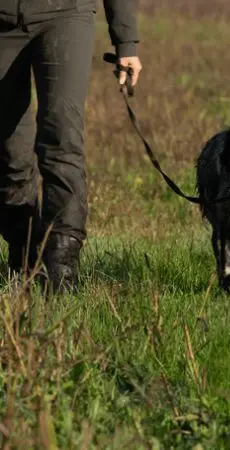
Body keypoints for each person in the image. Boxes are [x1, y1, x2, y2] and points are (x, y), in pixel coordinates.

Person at [0, 0, 143, 294]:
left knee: (62, 138)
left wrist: (126, 40)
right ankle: (24, 253)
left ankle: (62, 264)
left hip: (65, 13)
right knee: (8, 150)